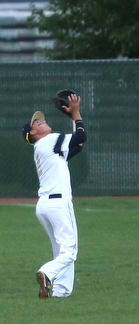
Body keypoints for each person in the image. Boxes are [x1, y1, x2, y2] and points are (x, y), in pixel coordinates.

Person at [22, 93, 87, 299]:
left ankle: (60, 292)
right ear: (33, 132)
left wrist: (74, 119)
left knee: (61, 250)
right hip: (59, 203)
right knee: (70, 251)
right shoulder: (49, 141)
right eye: (38, 122)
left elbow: (78, 145)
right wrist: (75, 113)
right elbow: (82, 137)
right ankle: (47, 272)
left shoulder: (45, 148)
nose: (43, 121)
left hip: (44, 206)